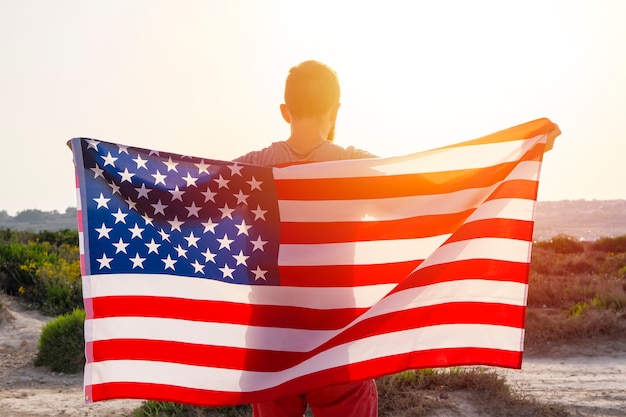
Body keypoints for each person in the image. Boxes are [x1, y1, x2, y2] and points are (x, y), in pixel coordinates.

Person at [234, 60, 379, 417]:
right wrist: (522, 151)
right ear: (336, 110)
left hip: (271, 341)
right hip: (335, 336)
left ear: (285, 111)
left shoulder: (250, 169)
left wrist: (97, 164)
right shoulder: (353, 167)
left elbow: (178, 200)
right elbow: (433, 184)